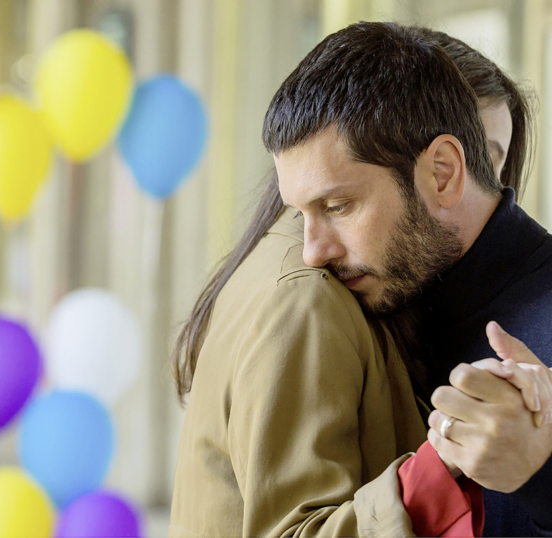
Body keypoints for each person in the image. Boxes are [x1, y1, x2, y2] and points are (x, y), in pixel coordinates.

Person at [170, 24, 548, 537]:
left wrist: (542, 471)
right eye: (300, 211)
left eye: (338, 205)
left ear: (443, 172)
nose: (312, 250)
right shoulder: (347, 292)